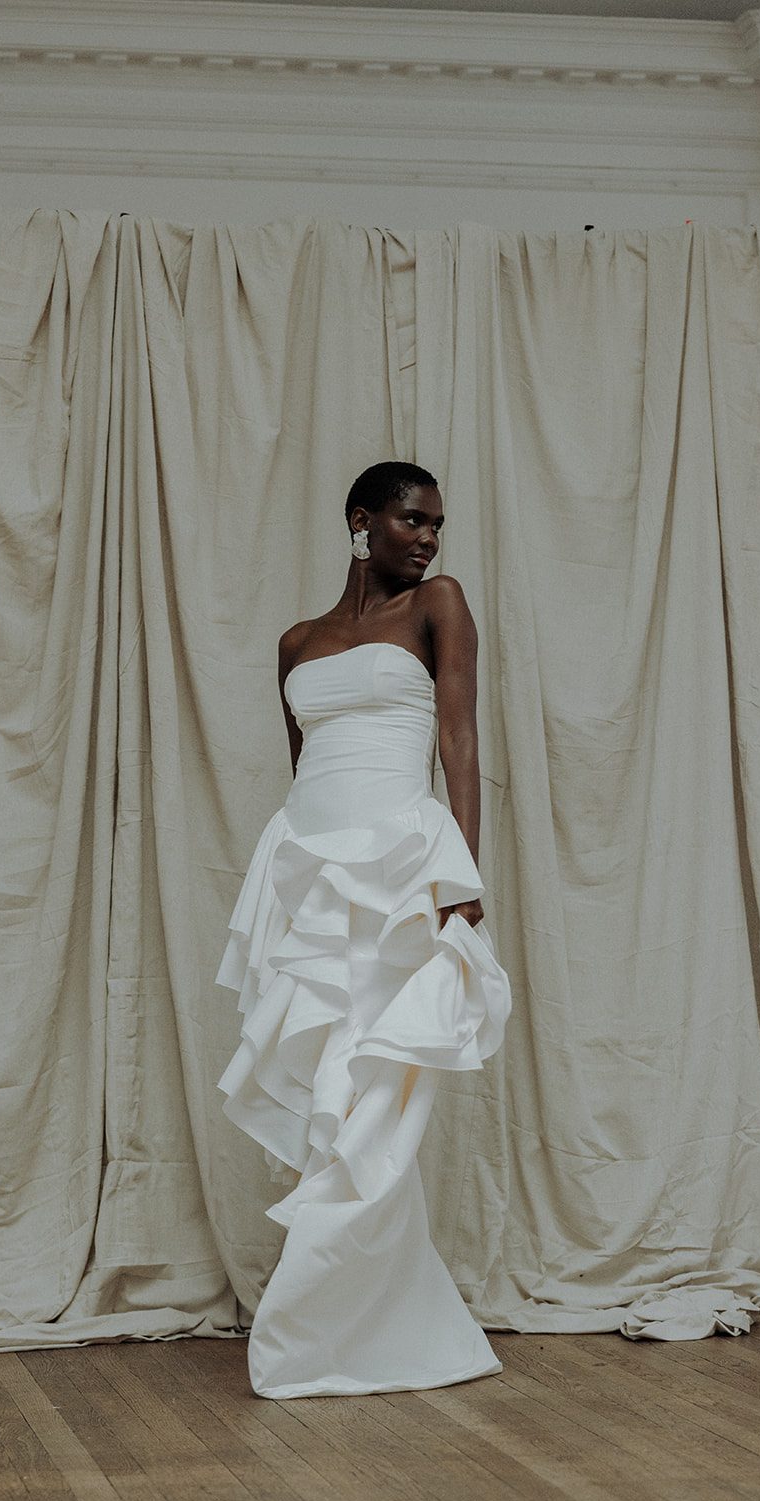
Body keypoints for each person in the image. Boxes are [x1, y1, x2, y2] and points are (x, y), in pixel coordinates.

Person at [216, 461, 511, 1399]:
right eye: (409, 520)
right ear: (361, 522)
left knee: (376, 1086)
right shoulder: (297, 640)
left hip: (399, 870)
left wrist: (459, 872)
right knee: (326, 1096)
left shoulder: (440, 606)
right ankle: (375, 1322)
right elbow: (306, 766)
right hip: (308, 871)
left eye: (434, 525)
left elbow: (457, 742)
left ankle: (310, 1327)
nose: (426, 539)